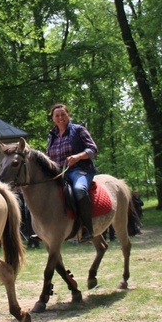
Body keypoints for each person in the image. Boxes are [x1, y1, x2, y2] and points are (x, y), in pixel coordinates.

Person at [46, 103, 99, 241]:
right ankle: (45, 228)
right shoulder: (52, 135)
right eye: (57, 115)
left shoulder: (78, 130)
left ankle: (87, 227)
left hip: (80, 170)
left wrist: (78, 156)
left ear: (68, 115)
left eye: (63, 114)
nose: (60, 117)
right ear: (53, 118)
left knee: (79, 189)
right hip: (59, 173)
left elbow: (93, 149)